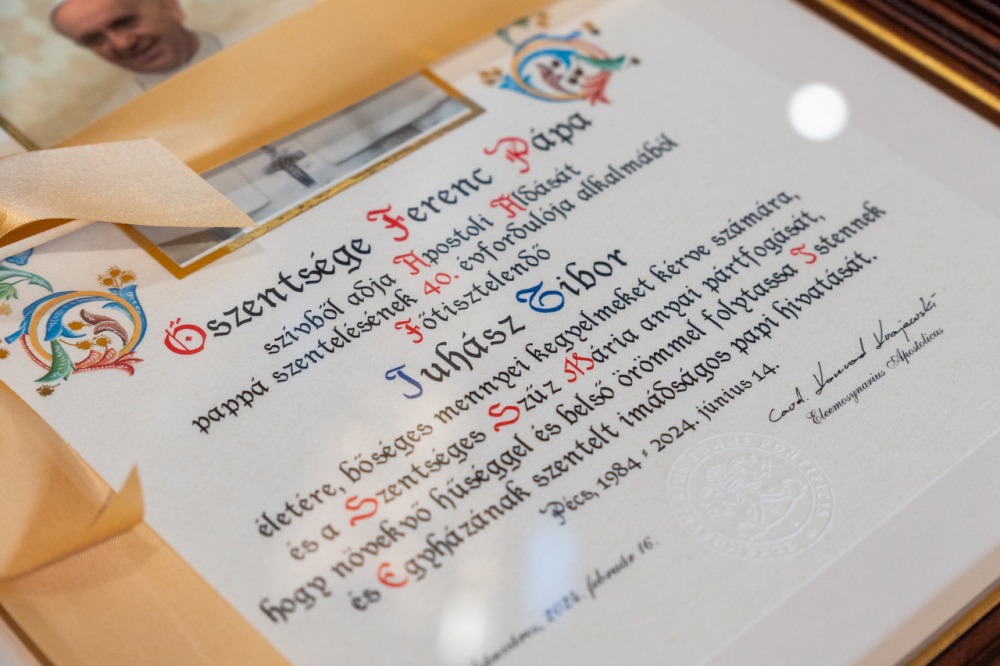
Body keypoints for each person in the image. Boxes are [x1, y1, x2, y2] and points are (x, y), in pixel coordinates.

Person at [50, 0, 221, 89]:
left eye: (124, 22)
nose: (121, 44)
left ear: (169, 7)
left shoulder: (239, 45)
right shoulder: (118, 127)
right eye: (95, 39)